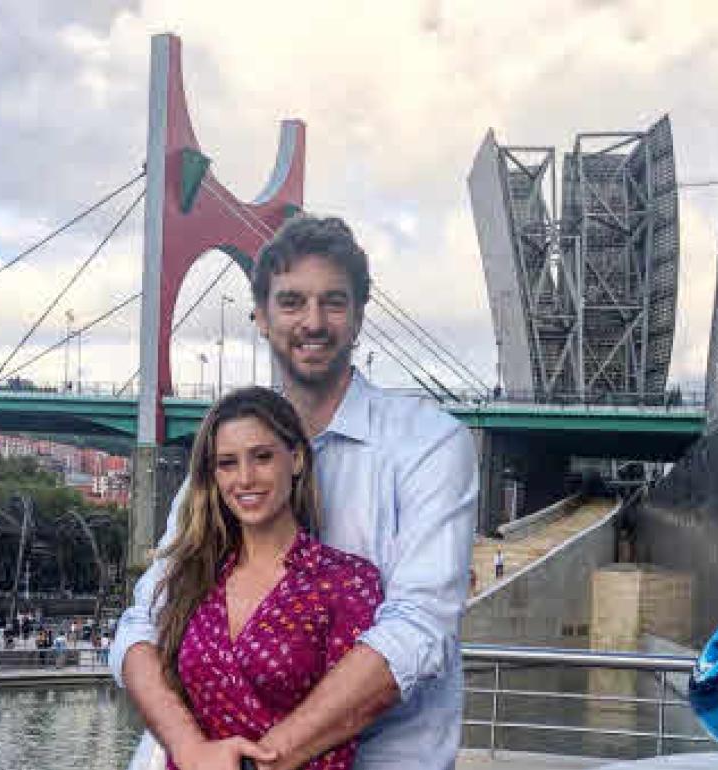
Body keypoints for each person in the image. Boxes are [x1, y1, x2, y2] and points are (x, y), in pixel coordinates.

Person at [112, 215, 478, 770]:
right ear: (260, 317)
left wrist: (261, 760)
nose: (313, 322)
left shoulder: (429, 444)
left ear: (359, 316)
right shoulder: (225, 460)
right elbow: (144, 621)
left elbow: (417, 630)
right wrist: (188, 748)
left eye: (333, 302)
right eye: (291, 302)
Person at [162, 387, 382, 769]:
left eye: (262, 457)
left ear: (296, 459)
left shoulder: (346, 582)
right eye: (227, 463)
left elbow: (345, 727)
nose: (245, 478)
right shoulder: (195, 576)